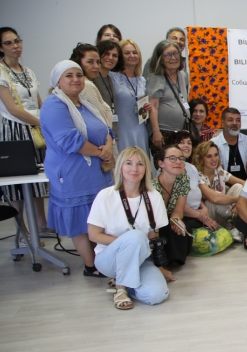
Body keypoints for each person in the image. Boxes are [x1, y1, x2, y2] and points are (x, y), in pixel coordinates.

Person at [41, 60, 114, 278]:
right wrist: (102, 152)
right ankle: (91, 266)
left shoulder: (85, 103)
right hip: (73, 174)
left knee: (100, 217)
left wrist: (108, 148)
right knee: (80, 222)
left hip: (98, 172)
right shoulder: (54, 105)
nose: (75, 79)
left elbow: (107, 128)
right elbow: (70, 141)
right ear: (58, 81)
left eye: (79, 75)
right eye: (69, 75)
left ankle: (105, 260)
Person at [87, 147, 169, 310]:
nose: (134, 169)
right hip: (108, 258)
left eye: (140, 164)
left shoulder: (154, 196)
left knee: (156, 295)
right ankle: (120, 289)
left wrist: (160, 267)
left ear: (146, 169)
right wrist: (129, 245)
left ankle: (125, 280)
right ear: (120, 167)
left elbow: (153, 235)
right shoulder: (106, 195)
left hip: (141, 257)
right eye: (129, 163)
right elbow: (93, 235)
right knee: (136, 237)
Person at [0, 27, 48, 236]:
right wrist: (39, 122)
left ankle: (42, 225)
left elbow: (38, 101)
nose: (15, 46)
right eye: (9, 43)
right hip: (15, 130)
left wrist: (46, 120)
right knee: (18, 186)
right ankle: (23, 233)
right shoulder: (1, 72)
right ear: (1, 48)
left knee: (38, 181)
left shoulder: (28, 71)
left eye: (17, 41)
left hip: (35, 129)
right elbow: (12, 108)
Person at [152, 145, 191, 280]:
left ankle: (172, 260)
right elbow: (152, 221)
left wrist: (176, 220)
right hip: (153, 226)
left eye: (181, 158)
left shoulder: (183, 179)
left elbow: (178, 210)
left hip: (168, 220)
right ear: (161, 163)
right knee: (165, 229)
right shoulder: (151, 188)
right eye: (172, 158)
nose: (178, 162)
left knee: (182, 227)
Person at [146, 40, 189, 164]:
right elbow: (153, 106)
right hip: (163, 133)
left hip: (182, 132)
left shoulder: (183, 76)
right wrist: (156, 132)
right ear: (160, 59)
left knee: (181, 167)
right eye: (168, 55)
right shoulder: (156, 78)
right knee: (168, 167)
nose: (173, 58)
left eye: (175, 53)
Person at [175, 131, 223, 237]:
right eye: (182, 142)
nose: (186, 146)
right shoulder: (170, 169)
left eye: (189, 143)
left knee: (224, 236)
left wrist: (203, 208)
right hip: (184, 217)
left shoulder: (191, 168)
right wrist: (200, 216)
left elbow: (197, 192)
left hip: (199, 212)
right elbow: (175, 204)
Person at [111, 39, 152, 155]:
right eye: (127, 53)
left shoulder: (142, 80)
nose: (132, 56)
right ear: (120, 56)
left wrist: (147, 106)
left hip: (139, 129)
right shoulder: (112, 77)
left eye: (134, 52)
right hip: (121, 129)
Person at [192, 140, 245, 229]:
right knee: (211, 202)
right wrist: (240, 201)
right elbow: (215, 199)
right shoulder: (197, 175)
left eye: (216, 155)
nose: (214, 159)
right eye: (209, 156)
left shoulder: (219, 171)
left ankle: (234, 225)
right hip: (207, 217)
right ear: (200, 158)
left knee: (239, 187)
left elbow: (245, 183)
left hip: (225, 212)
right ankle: (235, 224)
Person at [70, 44, 112, 127]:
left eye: (98, 62)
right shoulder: (87, 86)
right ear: (78, 63)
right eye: (90, 62)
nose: (96, 66)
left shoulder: (80, 84)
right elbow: (100, 122)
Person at [211, 107, 247, 181]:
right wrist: (243, 184)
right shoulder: (214, 143)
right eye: (230, 120)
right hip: (223, 186)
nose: (235, 123)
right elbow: (219, 173)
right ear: (222, 123)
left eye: (238, 120)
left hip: (246, 185)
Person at [93, 40, 123, 144]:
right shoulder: (92, 79)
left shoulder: (109, 78)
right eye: (106, 54)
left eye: (115, 55)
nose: (110, 58)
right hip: (98, 136)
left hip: (110, 132)